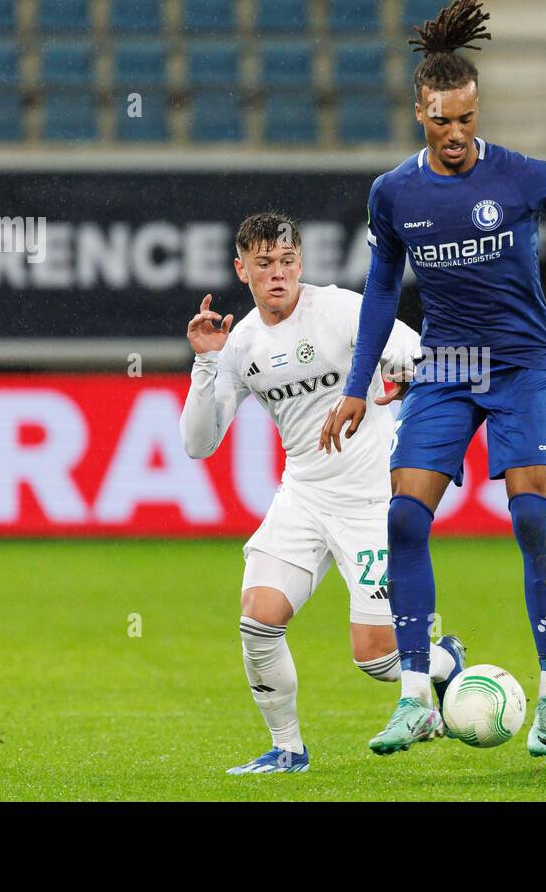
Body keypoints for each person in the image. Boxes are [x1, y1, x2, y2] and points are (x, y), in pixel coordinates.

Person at [319, 0, 546, 757]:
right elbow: (384, 289)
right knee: (403, 518)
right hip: (447, 364)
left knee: (530, 517)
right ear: (418, 110)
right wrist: (357, 384)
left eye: (467, 119)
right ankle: (416, 696)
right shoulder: (394, 193)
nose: (456, 136)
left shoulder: (520, 177)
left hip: (522, 364)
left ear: (477, 110)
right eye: (441, 120)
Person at [181, 212, 465, 774]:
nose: (278, 273)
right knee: (257, 621)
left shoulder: (340, 309)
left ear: (301, 262)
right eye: (264, 264)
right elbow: (200, 443)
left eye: (287, 261)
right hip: (304, 496)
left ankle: (445, 662)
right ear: (242, 270)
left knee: (378, 658)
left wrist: (406, 372)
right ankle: (288, 750)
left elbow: (417, 356)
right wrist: (205, 362)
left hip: (369, 502)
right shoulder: (239, 344)